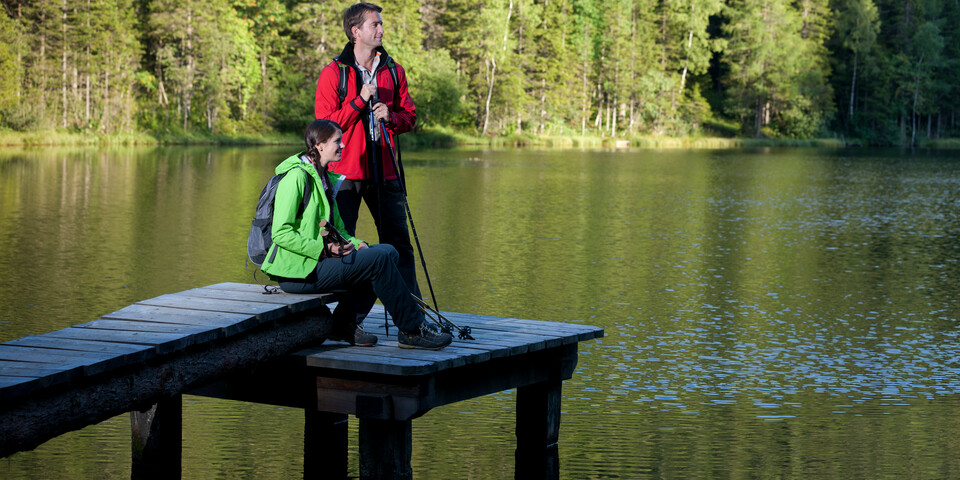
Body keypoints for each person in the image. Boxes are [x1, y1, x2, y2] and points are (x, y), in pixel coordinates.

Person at [261, 119, 451, 350]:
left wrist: (358, 244)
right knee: (377, 260)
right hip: (297, 272)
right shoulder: (296, 178)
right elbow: (280, 233)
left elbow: (338, 230)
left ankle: (345, 324)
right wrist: (324, 249)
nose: (343, 146)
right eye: (337, 141)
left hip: (315, 264)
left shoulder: (325, 178)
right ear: (320, 145)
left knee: (386, 251)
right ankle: (412, 329)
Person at [314, 2, 420, 298]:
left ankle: (413, 319)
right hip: (344, 176)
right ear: (355, 31)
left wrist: (392, 117)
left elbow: (409, 117)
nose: (381, 29)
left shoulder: (393, 71)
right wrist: (359, 101)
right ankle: (348, 322)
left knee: (400, 247)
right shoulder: (335, 73)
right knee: (342, 248)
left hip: (386, 174)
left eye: (381, 23)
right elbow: (322, 127)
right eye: (375, 24)